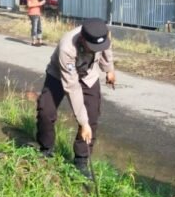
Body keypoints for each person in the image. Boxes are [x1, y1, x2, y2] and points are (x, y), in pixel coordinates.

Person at [36, 19, 116, 178]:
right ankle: (46, 150)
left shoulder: (100, 33)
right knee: (46, 110)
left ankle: (81, 160)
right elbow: (72, 87)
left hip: (88, 75)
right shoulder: (67, 47)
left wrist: (109, 70)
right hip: (60, 75)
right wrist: (82, 122)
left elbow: (106, 47)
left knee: (92, 115)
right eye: (92, 47)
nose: (95, 50)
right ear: (82, 40)